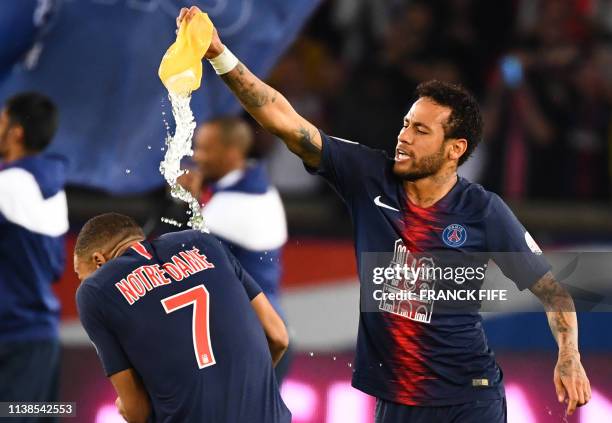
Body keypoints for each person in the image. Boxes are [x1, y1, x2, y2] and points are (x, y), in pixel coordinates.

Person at [177, 6, 591, 422]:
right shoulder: (366, 175)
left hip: (471, 398)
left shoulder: (483, 211)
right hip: (397, 400)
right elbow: (284, 120)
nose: (404, 137)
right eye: (406, 124)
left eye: (421, 131)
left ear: (455, 149)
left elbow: (553, 291)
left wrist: (569, 355)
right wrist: (218, 54)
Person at [74, 213, 291, 423]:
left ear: (99, 261)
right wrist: (240, 389)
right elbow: (278, 335)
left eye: (80, 275)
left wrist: (126, 407)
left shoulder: (95, 291)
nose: (82, 282)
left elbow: (137, 411)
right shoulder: (203, 243)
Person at [179, 116, 291, 381]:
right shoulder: (254, 183)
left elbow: (179, 256)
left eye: (206, 149)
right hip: (257, 328)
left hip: (249, 337)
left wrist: (188, 203)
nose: (197, 156)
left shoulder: (240, 203)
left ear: (231, 153)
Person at [0, 92, 67, 417]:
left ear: (16, 132)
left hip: (11, 341)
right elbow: (55, 268)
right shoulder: (55, 189)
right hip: (40, 340)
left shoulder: (8, 184)